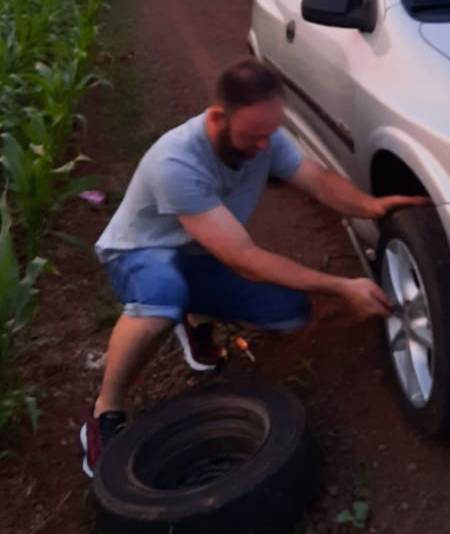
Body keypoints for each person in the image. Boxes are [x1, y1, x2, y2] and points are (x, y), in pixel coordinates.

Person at [80, 58, 428, 477]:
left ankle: (195, 319)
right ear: (217, 117)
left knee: (290, 311)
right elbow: (244, 259)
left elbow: (316, 179)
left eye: (270, 135)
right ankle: (104, 412)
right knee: (161, 297)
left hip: (197, 255)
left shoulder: (264, 137)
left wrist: (370, 206)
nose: (265, 148)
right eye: (253, 136)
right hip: (139, 253)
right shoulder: (176, 163)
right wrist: (340, 286)